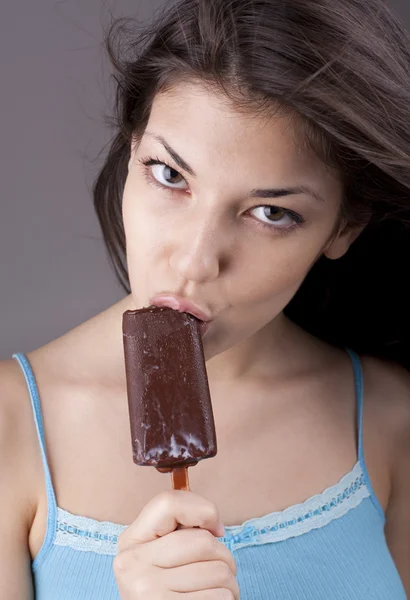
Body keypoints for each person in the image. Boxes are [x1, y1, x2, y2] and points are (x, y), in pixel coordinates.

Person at [1, 0, 410, 597]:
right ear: (132, 147)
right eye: (169, 175)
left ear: (344, 228)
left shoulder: (392, 419)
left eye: (271, 213)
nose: (195, 261)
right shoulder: (9, 427)